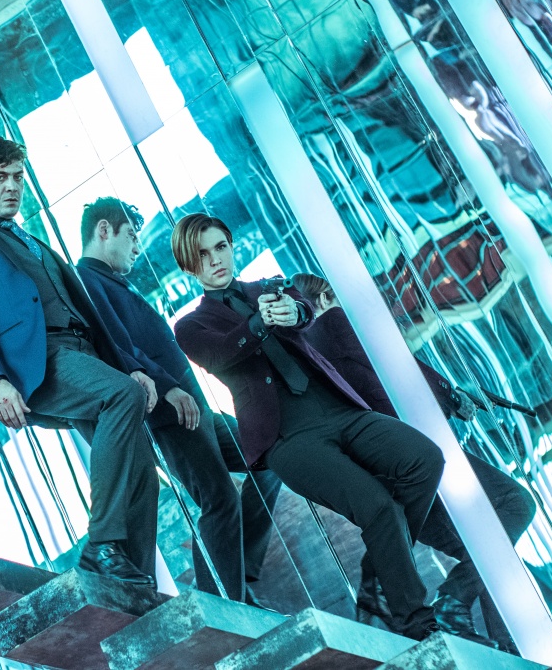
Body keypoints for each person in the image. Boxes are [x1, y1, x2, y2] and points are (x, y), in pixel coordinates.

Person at [170, 213, 445, 640]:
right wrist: (258, 323)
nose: (215, 260)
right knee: (379, 508)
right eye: (202, 255)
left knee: (425, 459)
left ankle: (379, 574)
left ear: (231, 245)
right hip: (287, 438)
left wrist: (293, 310)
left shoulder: (272, 286)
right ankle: (417, 624)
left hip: (340, 410)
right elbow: (222, 353)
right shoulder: (190, 326)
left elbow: (305, 311)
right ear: (189, 266)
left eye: (220, 247)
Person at [0, 135, 160, 586]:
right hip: (43, 360)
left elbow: (86, 313)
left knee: (142, 475)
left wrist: (129, 365)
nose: (11, 186)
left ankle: (135, 588)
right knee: (121, 396)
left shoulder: (34, 241)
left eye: (17, 177)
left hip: (87, 355)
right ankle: (100, 546)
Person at [291, 272, 536, 652]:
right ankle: (453, 601)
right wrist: (449, 394)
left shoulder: (308, 356)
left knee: (486, 552)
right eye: (336, 298)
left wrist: (448, 398)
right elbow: (399, 369)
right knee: (517, 503)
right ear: (323, 299)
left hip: (392, 476)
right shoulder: (331, 324)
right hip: (413, 457)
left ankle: (505, 645)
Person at [76, 197, 282, 604]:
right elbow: (115, 344)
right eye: (131, 236)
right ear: (104, 231)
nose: (138, 247)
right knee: (219, 500)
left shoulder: (110, 281)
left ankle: (236, 577)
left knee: (272, 456)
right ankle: (224, 604)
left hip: (191, 406)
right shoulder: (87, 281)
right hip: (170, 414)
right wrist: (166, 386)